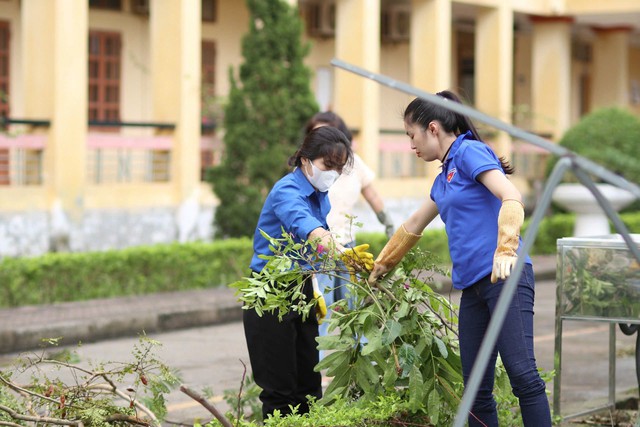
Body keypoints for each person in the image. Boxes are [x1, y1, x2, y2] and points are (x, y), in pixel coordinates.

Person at [368, 91, 552, 426]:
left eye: (412, 135)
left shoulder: (469, 152)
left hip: (505, 277)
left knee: (523, 376)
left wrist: (506, 247)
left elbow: (511, 195)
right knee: (475, 390)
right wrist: (381, 264)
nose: (411, 146)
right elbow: (413, 225)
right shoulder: (443, 178)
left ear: (433, 128)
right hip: (474, 288)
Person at [243, 125, 373, 420]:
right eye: (329, 166)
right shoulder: (286, 191)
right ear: (305, 160)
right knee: (280, 394)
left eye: (339, 168)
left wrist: (313, 285)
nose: (334, 174)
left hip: (300, 289)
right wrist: (341, 254)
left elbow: (306, 251)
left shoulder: (319, 194)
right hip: (269, 294)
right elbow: (307, 228)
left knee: (309, 388)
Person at [304, 112, 394, 341]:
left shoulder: (354, 163)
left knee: (355, 308)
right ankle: (317, 372)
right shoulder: (310, 167)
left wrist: (387, 221)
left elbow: (371, 193)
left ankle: (361, 364)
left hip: (348, 246)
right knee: (320, 309)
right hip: (319, 249)